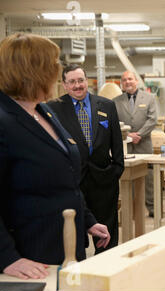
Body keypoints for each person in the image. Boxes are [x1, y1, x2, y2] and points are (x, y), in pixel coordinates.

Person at [0, 33, 110, 279]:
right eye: (53, 64)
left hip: (67, 246)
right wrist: (7, 257)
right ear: (33, 70)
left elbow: (66, 176)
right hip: (31, 254)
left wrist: (87, 220)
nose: (57, 70)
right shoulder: (4, 120)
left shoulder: (43, 110)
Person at [47, 64, 124, 254]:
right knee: (75, 236)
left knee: (107, 238)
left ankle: (107, 272)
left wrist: (116, 170)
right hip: (73, 181)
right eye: (72, 82)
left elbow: (117, 144)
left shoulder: (106, 105)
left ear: (86, 80)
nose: (77, 85)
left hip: (104, 181)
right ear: (64, 85)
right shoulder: (53, 108)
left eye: (80, 80)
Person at [113, 70, 158, 217]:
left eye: (130, 79)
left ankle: (152, 209)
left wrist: (139, 134)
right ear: (122, 83)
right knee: (128, 178)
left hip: (143, 145)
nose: (128, 82)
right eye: (124, 80)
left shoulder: (149, 98)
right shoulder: (116, 101)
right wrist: (127, 135)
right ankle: (130, 210)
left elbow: (152, 120)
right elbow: (114, 123)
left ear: (136, 81)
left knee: (149, 177)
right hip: (126, 147)